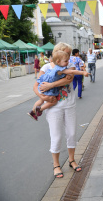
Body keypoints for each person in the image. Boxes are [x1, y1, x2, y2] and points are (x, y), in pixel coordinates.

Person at [32, 42, 84, 178]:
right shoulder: (46, 67)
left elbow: (68, 79)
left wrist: (50, 85)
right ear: (58, 53)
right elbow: (36, 86)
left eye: (69, 53)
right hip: (54, 108)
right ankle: (56, 165)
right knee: (57, 136)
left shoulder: (69, 64)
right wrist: (43, 97)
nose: (69, 56)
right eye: (67, 53)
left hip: (70, 104)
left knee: (72, 134)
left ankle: (71, 160)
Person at [28, 50, 89, 121]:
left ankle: (32, 111)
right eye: (66, 61)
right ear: (58, 62)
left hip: (43, 83)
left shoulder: (55, 67)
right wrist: (83, 72)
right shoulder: (60, 69)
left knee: (41, 100)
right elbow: (72, 71)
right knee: (53, 101)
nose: (68, 62)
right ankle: (40, 109)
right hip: (49, 88)